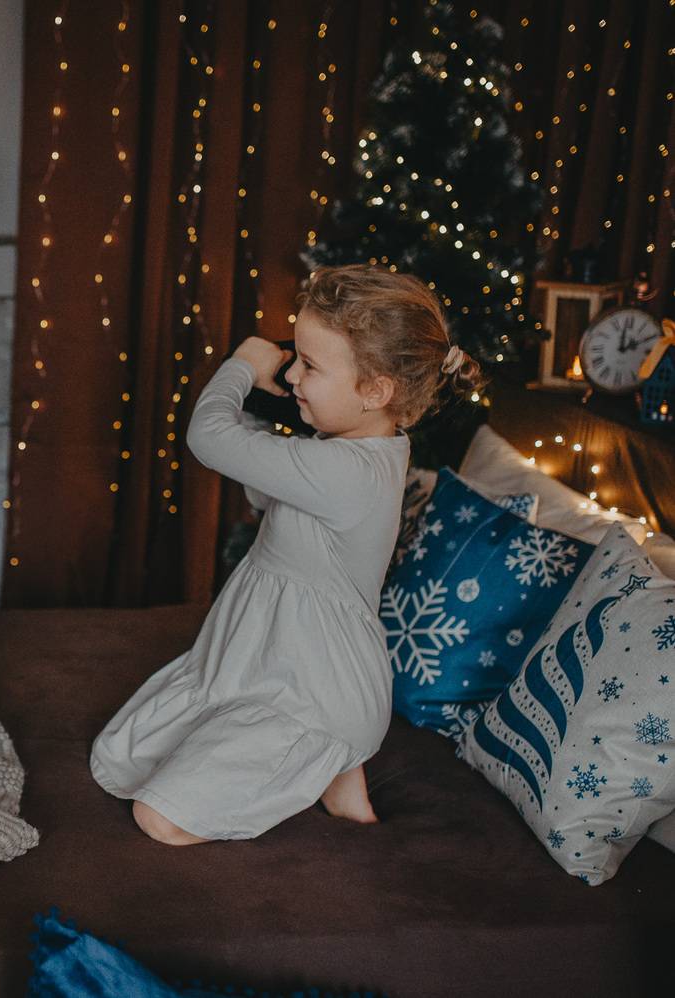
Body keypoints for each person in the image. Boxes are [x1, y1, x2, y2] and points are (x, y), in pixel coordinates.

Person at [90, 264, 483, 844]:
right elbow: (263, 481)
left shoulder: (349, 474)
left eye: (311, 365)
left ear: (375, 391)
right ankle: (340, 781)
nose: (294, 373)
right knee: (121, 757)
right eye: (294, 357)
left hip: (315, 694)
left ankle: (324, 757)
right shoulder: (349, 448)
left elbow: (208, 438)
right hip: (266, 667)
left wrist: (243, 365)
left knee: (159, 818)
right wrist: (276, 399)